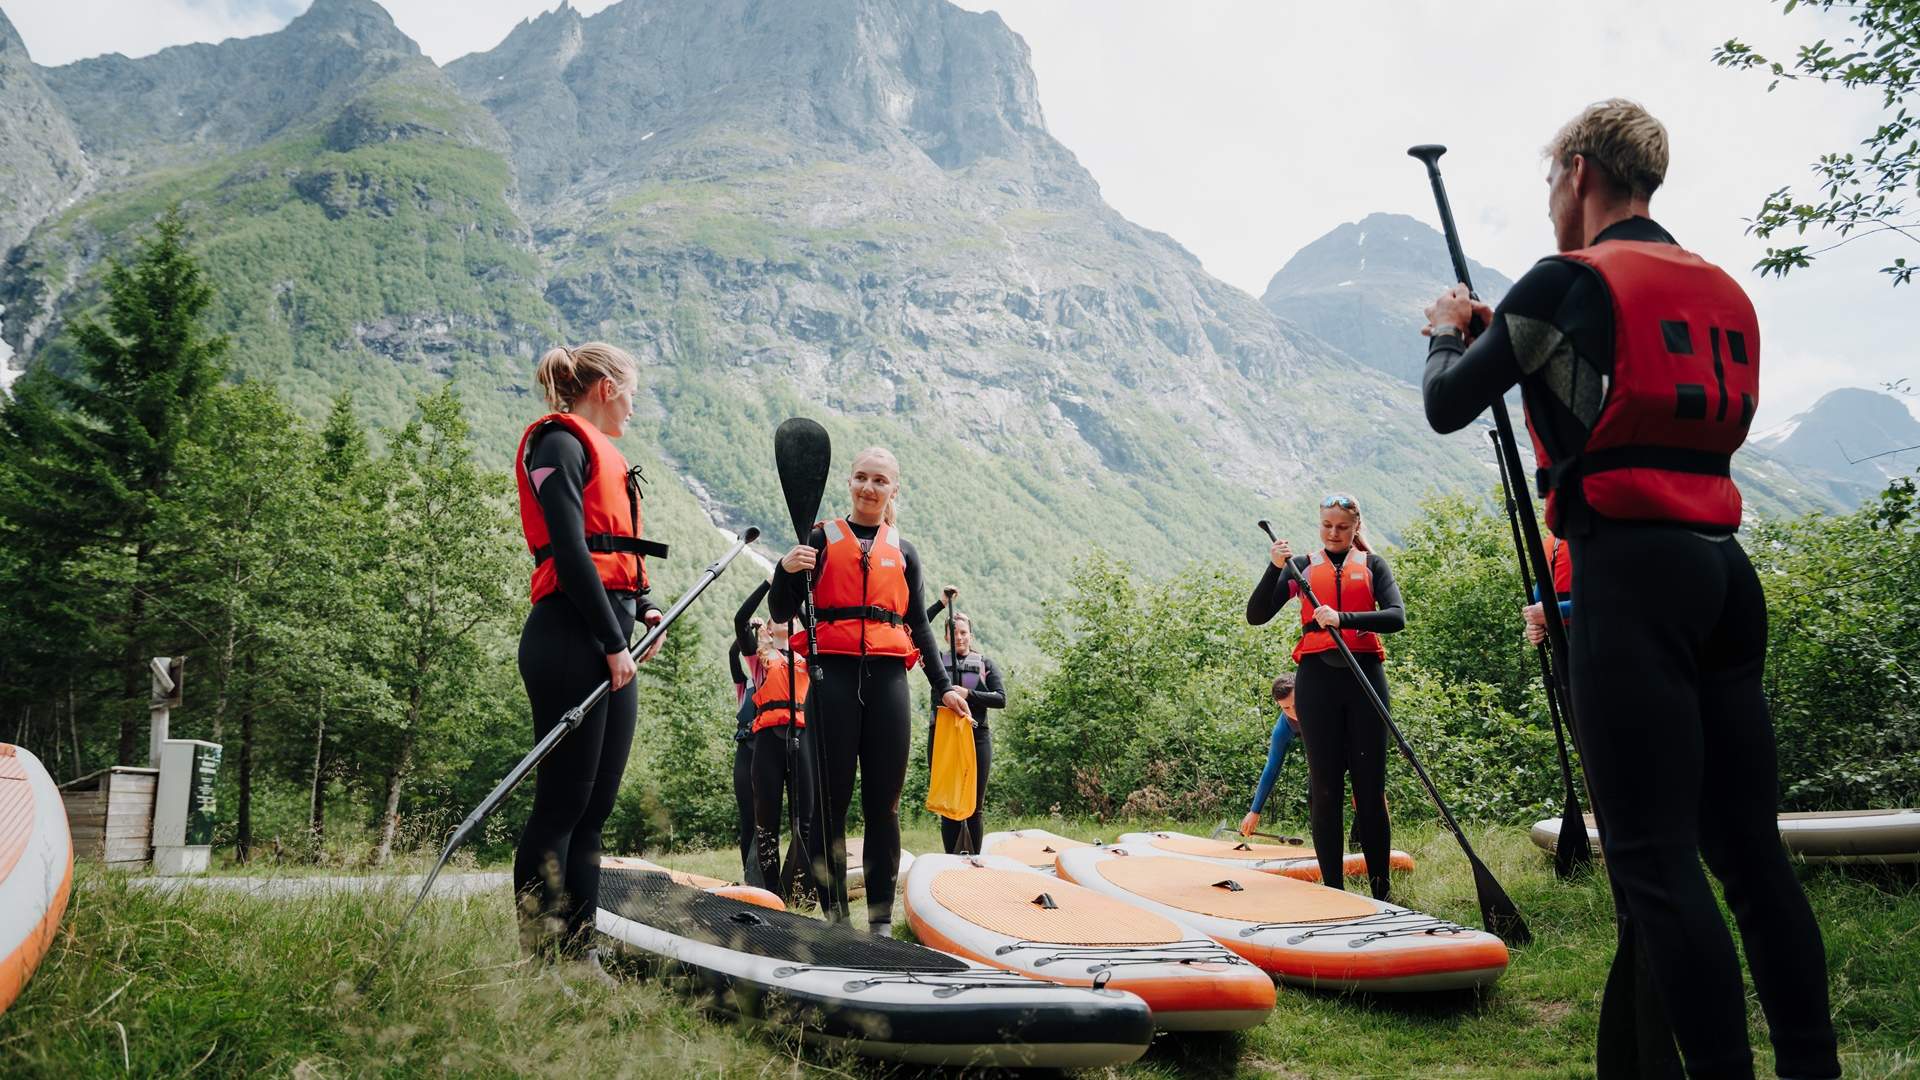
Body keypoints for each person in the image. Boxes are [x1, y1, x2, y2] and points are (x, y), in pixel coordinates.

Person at [1420, 99, 1838, 1080]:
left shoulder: (1567, 279)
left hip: (1630, 575)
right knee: (1750, 854)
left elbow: (1449, 403)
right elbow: (1613, 380)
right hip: (1724, 574)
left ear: (1576, 172)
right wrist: (1516, 337)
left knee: (1654, 862)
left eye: (1550, 183)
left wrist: (1448, 332)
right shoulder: (1723, 287)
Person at [511, 341, 667, 971]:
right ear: (606, 387)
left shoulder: (604, 451)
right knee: (562, 804)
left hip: (611, 635)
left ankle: (580, 952)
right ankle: (539, 957)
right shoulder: (559, 444)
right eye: (632, 392)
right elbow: (573, 554)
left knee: (596, 808)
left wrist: (646, 609)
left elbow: (615, 551)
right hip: (572, 637)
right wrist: (611, 642)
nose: (633, 406)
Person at [769, 447, 969, 936]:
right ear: (849, 483)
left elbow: (919, 626)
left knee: (885, 806)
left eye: (880, 481)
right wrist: (785, 568)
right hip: (830, 679)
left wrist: (944, 688)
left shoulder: (902, 552)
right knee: (830, 806)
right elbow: (780, 609)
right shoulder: (817, 539)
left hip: (888, 683)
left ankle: (879, 923)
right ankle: (836, 920)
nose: (868, 488)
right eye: (860, 478)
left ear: (893, 490)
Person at [1244, 495, 1405, 899]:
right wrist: (1275, 566)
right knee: (1325, 789)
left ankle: (1381, 892)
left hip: (1364, 677)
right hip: (1316, 682)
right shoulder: (1300, 568)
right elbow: (1257, 614)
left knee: (1369, 789)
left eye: (1342, 527)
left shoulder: (1372, 565)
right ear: (1320, 526)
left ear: (1355, 528)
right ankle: (1333, 891)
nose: (1334, 533)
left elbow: (1396, 616)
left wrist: (1342, 617)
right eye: (1327, 526)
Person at [924, 592, 1006, 855]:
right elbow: (915, 628)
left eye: (964, 633)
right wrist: (941, 604)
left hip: (976, 736)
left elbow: (1000, 699)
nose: (959, 637)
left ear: (971, 635)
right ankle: (951, 860)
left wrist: (968, 694)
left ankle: (975, 862)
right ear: (947, 636)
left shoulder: (985, 664)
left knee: (974, 805)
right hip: (942, 737)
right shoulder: (936, 662)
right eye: (954, 633)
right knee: (949, 804)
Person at [748, 617, 816, 902]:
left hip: (802, 738)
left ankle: (801, 888)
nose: (784, 620)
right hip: (768, 742)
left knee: (806, 820)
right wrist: (770, 584)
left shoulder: (808, 655)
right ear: (768, 626)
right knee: (767, 820)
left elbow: (814, 622)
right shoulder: (760, 658)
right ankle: (770, 890)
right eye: (778, 616)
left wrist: (797, 596)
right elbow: (741, 620)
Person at [728, 582, 771, 885]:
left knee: (770, 819)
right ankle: (750, 877)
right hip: (747, 750)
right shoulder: (747, 684)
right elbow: (735, 653)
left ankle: (774, 877)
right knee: (749, 820)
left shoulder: (789, 670)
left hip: (772, 749)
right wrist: (752, 632)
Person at [1238, 674, 1299, 838]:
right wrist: (1254, 811)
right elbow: (1271, 768)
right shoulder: (1284, 726)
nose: (1294, 712)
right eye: (1286, 708)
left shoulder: (1322, 703)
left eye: (1296, 704)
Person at [1521, 529, 1573, 646]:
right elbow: (1537, 602)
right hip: (1563, 645)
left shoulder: (1609, 538)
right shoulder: (1552, 544)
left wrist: (1555, 610)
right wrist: (1533, 626)